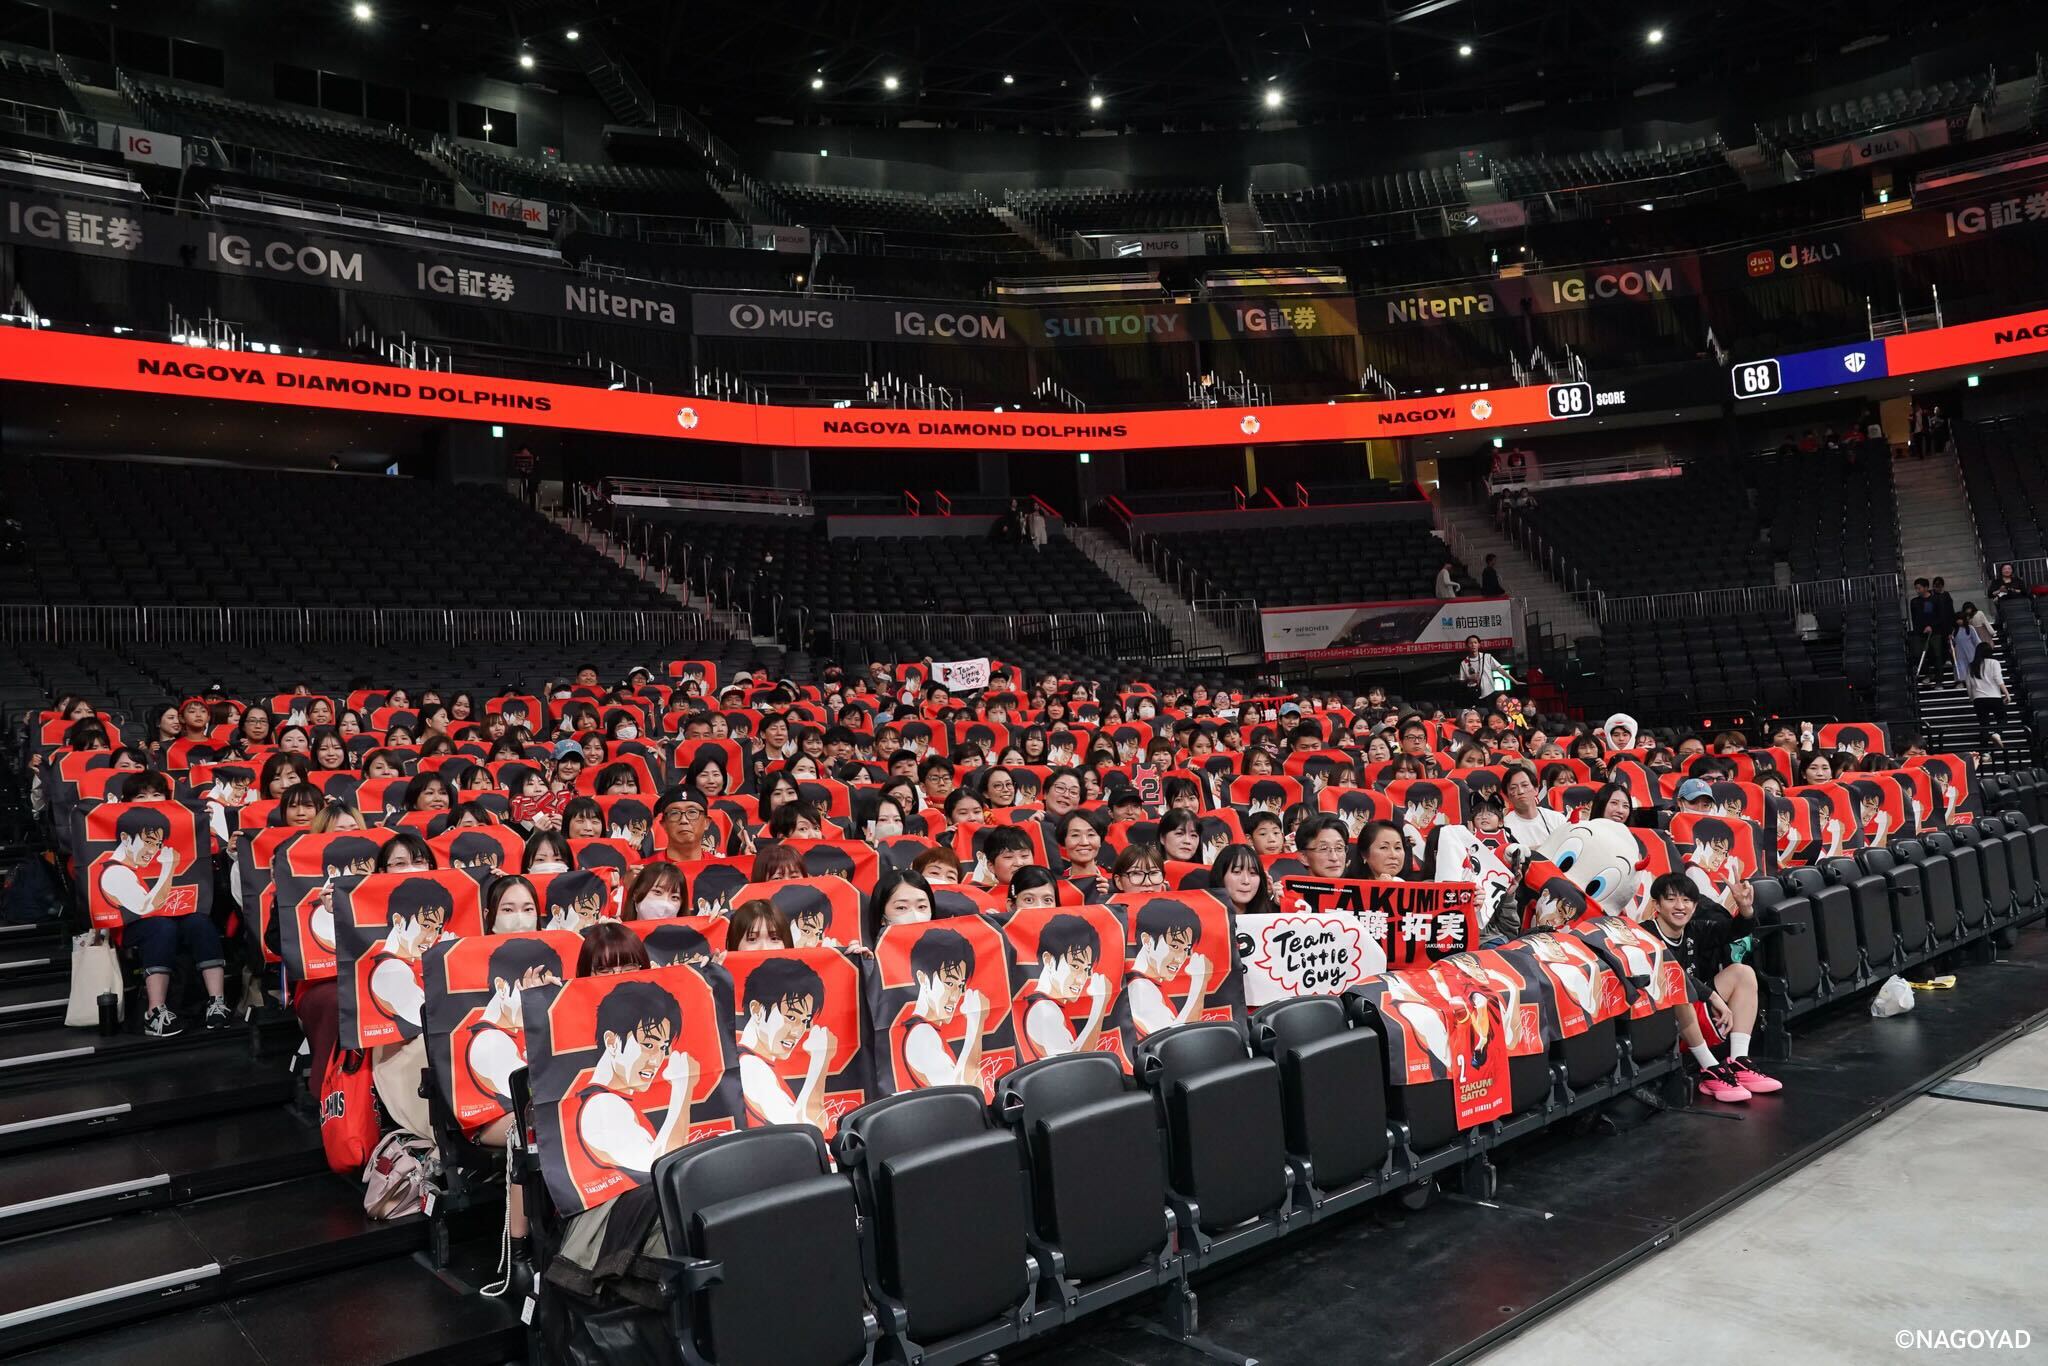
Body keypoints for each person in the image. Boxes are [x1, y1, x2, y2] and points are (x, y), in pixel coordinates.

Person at [1643, 873, 1781, 1102]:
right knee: (1679, 992)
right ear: (1656, 905)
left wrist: (1745, 908)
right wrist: (1713, 997)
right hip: (1660, 1020)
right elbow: (1672, 975)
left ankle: (1739, 1062)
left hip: (1693, 1008)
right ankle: (1709, 1069)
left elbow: (1735, 930)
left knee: (1743, 973)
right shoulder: (1644, 935)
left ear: (1695, 906)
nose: (1680, 906)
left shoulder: (1693, 930)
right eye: (1671, 899)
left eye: (1686, 900)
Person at [1501, 764, 1565, 851]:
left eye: (1525, 785)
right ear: (1507, 796)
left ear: (1536, 789)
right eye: (1513, 788)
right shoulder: (1505, 826)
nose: (1520, 791)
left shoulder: (1557, 819)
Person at [1967, 648, 2012, 747]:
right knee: (2002, 718)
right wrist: (2007, 694)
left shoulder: (1971, 665)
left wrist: (1972, 698)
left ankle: (1985, 751)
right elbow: (1998, 679)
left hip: (1978, 698)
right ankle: (1997, 733)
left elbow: (1969, 684)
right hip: (1994, 696)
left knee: (1984, 724)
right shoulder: (1994, 662)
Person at [1908, 578, 1949, 678]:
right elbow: (1914, 618)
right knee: (1917, 654)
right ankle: (1927, 674)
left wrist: (1931, 626)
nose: (1917, 590)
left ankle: (1939, 679)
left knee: (1937, 655)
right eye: (1916, 588)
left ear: (1926, 588)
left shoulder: (1935, 600)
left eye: (1919, 588)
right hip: (1920, 632)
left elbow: (1941, 616)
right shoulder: (1914, 602)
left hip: (1934, 632)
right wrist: (1919, 629)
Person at [1457, 636, 1507, 703]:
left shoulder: (1487, 657)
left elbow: (1500, 669)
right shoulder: (1464, 662)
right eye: (1470, 643)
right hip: (1473, 693)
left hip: (1489, 693)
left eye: (1475, 642)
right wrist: (1469, 678)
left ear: (1479, 644)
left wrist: (1515, 681)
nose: (1473, 645)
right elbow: (1461, 681)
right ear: (1467, 646)